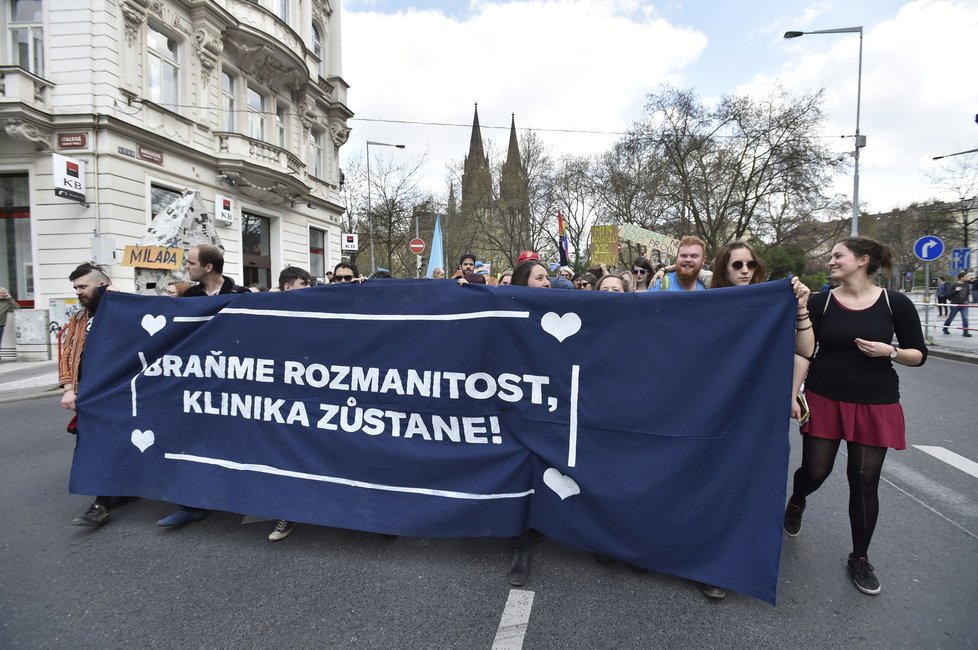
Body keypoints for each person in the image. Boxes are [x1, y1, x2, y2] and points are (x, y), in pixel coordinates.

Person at [784, 237, 926, 596]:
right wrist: (793, 392)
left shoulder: (896, 303)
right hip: (825, 397)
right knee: (815, 472)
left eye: (837, 256)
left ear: (863, 260)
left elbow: (918, 354)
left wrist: (890, 351)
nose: (830, 261)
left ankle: (860, 557)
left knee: (864, 481)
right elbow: (803, 351)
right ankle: (798, 500)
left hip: (875, 402)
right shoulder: (822, 302)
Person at [158, 246, 248, 528]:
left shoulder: (240, 297)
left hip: (234, 384)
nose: (186, 266)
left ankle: (241, 495)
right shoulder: (190, 297)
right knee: (193, 441)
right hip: (197, 384)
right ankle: (190, 503)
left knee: (236, 441)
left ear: (209, 267)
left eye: (191, 262)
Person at [60, 264, 127, 527]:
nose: (78, 293)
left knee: (104, 445)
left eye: (83, 287)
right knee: (101, 444)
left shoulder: (124, 310)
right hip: (89, 394)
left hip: (118, 392)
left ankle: (102, 504)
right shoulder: (79, 318)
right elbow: (68, 354)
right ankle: (116, 493)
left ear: (101, 285)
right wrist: (68, 389)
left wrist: (120, 297)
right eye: (76, 288)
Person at [267, 266, 314, 542]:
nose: (309, 288)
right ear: (287, 287)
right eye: (303, 283)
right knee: (289, 454)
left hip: (316, 394)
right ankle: (289, 511)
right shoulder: (268, 312)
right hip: (284, 397)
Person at [942, 271, 971, 337]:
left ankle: (965, 332)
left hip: (964, 304)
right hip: (955, 304)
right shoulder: (954, 285)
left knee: (965, 318)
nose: (967, 277)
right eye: (965, 276)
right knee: (951, 317)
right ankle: (945, 328)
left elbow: (967, 293)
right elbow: (947, 294)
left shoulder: (967, 284)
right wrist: (956, 291)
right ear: (961, 278)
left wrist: (967, 300)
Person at [0, 286, 19, 359]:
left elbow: (17, 308)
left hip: (1, 324)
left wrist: (10, 298)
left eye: (4, 294)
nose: (2, 295)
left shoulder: (7, 302)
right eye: (1, 294)